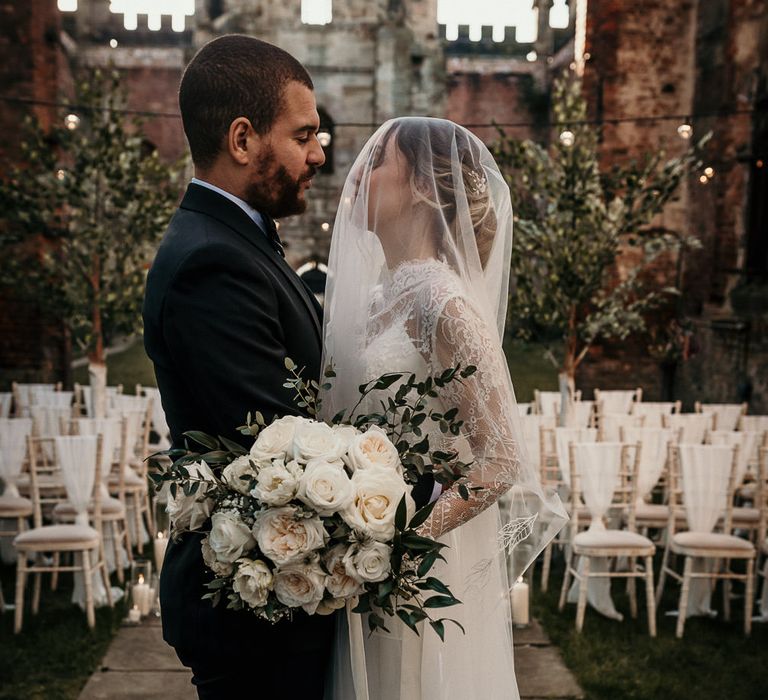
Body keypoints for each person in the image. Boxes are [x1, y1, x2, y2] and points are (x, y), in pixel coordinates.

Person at [142, 36, 439, 699]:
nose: (320, 153)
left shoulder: (242, 240)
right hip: (254, 609)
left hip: (282, 598)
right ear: (243, 139)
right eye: (304, 134)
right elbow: (277, 447)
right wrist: (423, 481)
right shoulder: (210, 263)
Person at [321, 117, 568, 699]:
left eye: (378, 162)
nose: (357, 175)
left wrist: (402, 541)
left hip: (417, 561)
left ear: (425, 187)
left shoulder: (443, 302)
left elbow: (501, 459)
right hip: (363, 554)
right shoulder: (380, 299)